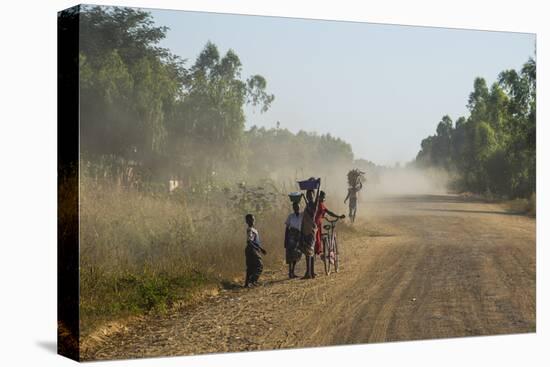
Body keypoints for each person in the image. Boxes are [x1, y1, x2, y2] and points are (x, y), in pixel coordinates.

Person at [315, 191, 345, 258]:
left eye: (323, 197)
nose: (323, 199)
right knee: (319, 238)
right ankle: (321, 251)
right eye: (322, 197)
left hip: (318, 223)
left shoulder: (318, 204)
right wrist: (338, 216)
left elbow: (328, 212)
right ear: (320, 197)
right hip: (317, 223)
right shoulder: (320, 205)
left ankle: (321, 251)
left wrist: (338, 216)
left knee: (320, 237)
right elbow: (329, 212)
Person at [244, 214, 267, 288]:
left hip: (252, 249)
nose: (252, 221)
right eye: (250, 220)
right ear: (247, 221)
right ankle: (253, 281)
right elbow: (249, 241)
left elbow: (253, 241)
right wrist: (259, 249)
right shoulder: (250, 230)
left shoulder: (254, 230)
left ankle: (247, 283)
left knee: (250, 267)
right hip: (252, 250)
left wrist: (260, 248)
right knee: (259, 266)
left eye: (253, 219)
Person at [300, 190, 317, 279]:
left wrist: (318, 187)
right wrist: (303, 197)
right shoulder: (309, 205)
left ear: (314, 195)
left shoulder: (314, 205)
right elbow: (308, 204)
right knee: (311, 252)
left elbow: (311, 209)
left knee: (308, 253)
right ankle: (311, 272)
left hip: (310, 231)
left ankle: (308, 273)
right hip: (308, 230)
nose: (309, 196)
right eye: (308, 195)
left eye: (311, 195)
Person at [284, 202, 303, 278]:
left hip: (299, 236)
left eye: (297, 207)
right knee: (290, 254)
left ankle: (293, 272)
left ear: (299, 207)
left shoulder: (302, 216)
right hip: (291, 236)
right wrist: (285, 239)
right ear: (293, 208)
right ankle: (290, 272)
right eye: (295, 207)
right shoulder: (290, 216)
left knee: (297, 254)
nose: (296, 209)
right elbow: (287, 228)